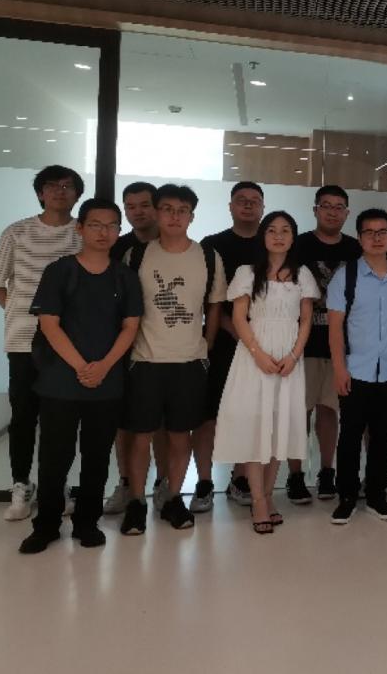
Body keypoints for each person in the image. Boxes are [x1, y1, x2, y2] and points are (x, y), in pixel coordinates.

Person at [19, 199, 142, 553]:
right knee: (54, 457)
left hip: (107, 382)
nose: (104, 232)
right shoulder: (60, 270)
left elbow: (130, 326)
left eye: (112, 225)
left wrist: (103, 366)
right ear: (80, 228)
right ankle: (46, 525)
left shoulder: (124, 275)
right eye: (95, 225)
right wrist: (81, 366)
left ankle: (87, 523)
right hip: (61, 381)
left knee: (97, 456)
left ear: (119, 230)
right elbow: (49, 324)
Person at [120, 184, 226, 535]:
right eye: (167, 209)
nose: (174, 216)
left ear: (191, 216)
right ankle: (136, 502)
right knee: (141, 436)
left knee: (181, 436)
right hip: (145, 360)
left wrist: (207, 345)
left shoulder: (207, 256)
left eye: (182, 210)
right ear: (157, 213)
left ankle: (172, 498)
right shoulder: (137, 255)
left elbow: (214, 305)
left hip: (190, 362)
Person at [0, 165, 83, 521]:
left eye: (67, 186)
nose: (60, 191)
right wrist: (19, 311)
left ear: (77, 194)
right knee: (24, 416)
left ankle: (57, 486)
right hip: (24, 341)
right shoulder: (17, 232)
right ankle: (21, 484)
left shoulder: (83, 232)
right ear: (41, 193)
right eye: (51, 186)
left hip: (69, 344)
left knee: (62, 419)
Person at [213, 211, 316, 534]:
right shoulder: (247, 272)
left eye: (286, 230)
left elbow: (306, 320)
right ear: (263, 236)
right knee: (256, 427)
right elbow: (239, 318)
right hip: (253, 357)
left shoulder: (302, 274)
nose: (279, 236)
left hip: (289, 359)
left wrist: (294, 356)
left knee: (279, 427)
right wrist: (257, 354)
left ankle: (269, 495)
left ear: (293, 237)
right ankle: (257, 500)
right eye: (272, 230)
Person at [327, 209, 387, 524]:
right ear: (359, 237)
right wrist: (339, 369)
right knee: (350, 435)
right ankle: (346, 496)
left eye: (382, 231)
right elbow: (335, 328)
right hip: (355, 370)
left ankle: (376, 495)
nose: (376, 238)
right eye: (369, 232)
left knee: (383, 437)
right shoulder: (345, 276)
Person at [195, 181, 266, 513]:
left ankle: (240, 479)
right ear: (231, 206)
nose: (248, 205)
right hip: (221, 343)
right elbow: (208, 299)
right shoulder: (212, 245)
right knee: (208, 414)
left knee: (249, 414)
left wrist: (255, 340)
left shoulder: (271, 244)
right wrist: (237, 332)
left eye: (254, 201)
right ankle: (204, 482)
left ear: (263, 207)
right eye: (241, 200)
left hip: (261, 346)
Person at [293, 185, 362, 500]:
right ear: (315, 210)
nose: (332, 212)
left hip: (342, 347)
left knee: (329, 411)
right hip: (301, 346)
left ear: (346, 213)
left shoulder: (356, 249)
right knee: (299, 412)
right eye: (326, 206)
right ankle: (295, 476)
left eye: (338, 207)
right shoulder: (298, 246)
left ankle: (326, 472)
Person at [104, 181, 164, 516]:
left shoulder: (177, 245)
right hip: (123, 346)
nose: (137, 212)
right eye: (130, 206)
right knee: (124, 422)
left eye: (144, 205)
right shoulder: (118, 248)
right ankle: (126, 484)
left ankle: (164, 484)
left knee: (166, 423)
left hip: (165, 346)